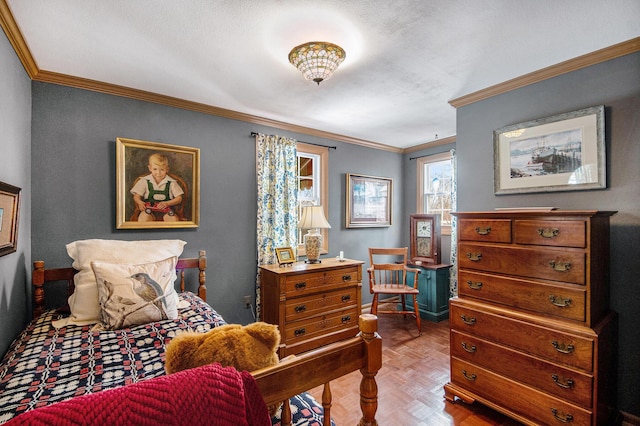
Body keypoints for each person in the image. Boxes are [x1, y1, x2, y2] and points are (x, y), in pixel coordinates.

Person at [130, 153, 184, 222]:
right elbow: (136, 196)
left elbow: (179, 198)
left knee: (173, 219)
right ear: (150, 168)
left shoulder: (172, 182)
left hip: (166, 210)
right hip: (149, 210)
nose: (158, 173)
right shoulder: (144, 181)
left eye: (162, 170)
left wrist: (167, 203)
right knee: (144, 218)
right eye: (155, 169)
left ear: (167, 169)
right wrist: (140, 203)